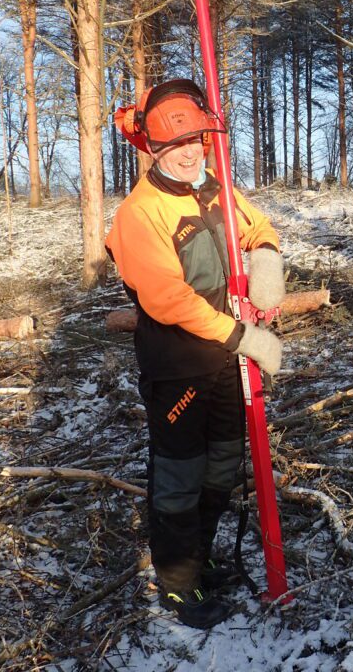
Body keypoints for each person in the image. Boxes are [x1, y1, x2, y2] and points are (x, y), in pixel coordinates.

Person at [105, 78, 286, 629]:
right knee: (181, 476)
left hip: (227, 365)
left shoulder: (216, 190)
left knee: (223, 466)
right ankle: (179, 585)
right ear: (153, 149)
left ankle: (202, 556)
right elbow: (168, 299)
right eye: (176, 146)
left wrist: (268, 259)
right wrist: (243, 337)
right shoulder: (140, 214)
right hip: (180, 364)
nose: (190, 153)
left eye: (198, 142)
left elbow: (256, 226)